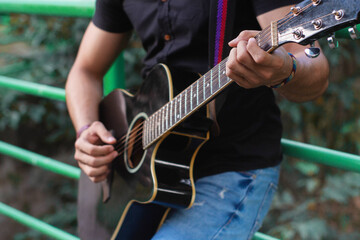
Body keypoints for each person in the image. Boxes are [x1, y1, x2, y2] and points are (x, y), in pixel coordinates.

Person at [65, 0, 329, 239]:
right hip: (149, 172)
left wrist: (285, 69)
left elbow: (312, 65)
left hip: (232, 165)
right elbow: (84, 71)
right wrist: (86, 129)